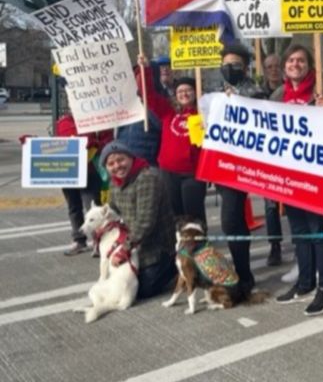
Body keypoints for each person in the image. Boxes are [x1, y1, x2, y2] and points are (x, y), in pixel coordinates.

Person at [273, 44, 323, 316]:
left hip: (317, 175)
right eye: (291, 60)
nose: (295, 64)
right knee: (299, 233)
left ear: (310, 66)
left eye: (300, 60)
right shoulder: (278, 96)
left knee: (319, 234)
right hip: (289, 175)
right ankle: (304, 283)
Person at [217, 42, 267, 293]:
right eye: (225, 65)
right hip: (220, 165)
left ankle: (244, 275)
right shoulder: (215, 93)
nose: (229, 69)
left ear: (245, 67)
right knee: (233, 222)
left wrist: (237, 102)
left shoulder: (254, 92)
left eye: (235, 65)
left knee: (230, 221)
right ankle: (241, 273)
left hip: (241, 166)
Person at [100, 140, 176, 299]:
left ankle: (173, 267)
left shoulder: (147, 178)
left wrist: (124, 248)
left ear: (131, 158)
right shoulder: (115, 182)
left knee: (141, 291)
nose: (117, 166)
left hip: (158, 246)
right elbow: (112, 209)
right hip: (137, 244)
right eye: (111, 163)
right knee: (121, 285)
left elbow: (145, 223)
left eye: (121, 160)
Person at [136, 54, 207, 225]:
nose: (184, 94)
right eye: (180, 91)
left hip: (193, 174)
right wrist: (145, 70)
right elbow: (148, 95)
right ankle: (180, 244)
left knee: (193, 213)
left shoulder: (204, 114)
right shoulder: (168, 112)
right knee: (176, 214)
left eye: (188, 90)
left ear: (195, 93)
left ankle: (198, 245)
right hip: (168, 172)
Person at [53, 111, 112, 256]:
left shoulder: (97, 119)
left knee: (92, 208)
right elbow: (54, 144)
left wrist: (96, 143)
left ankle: (99, 242)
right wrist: (31, 142)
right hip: (68, 172)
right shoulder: (62, 122)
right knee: (74, 207)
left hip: (89, 171)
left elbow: (108, 140)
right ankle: (79, 241)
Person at [261, 52, 284, 267]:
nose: (274, 69)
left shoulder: (290, 90)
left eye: (277, 65)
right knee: (269, 205)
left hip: (289, 154)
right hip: (267, 156)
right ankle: (275, 246)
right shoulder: (256, 93)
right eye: (269, 67)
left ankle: (300, 246)